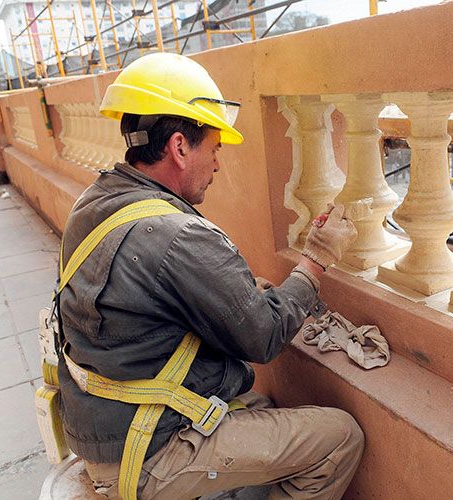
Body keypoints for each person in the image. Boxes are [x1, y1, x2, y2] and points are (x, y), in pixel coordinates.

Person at [55, 52, 363, 500]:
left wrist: (230, 292)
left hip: (102, 427)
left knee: (261, 409)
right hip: (145, 451)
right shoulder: (178, 237)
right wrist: (316, 257)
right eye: (214, 148)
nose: (218, 164)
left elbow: (148, 295)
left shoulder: (97, 201)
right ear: (180, 147)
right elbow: (263, 336)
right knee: (338, 437)